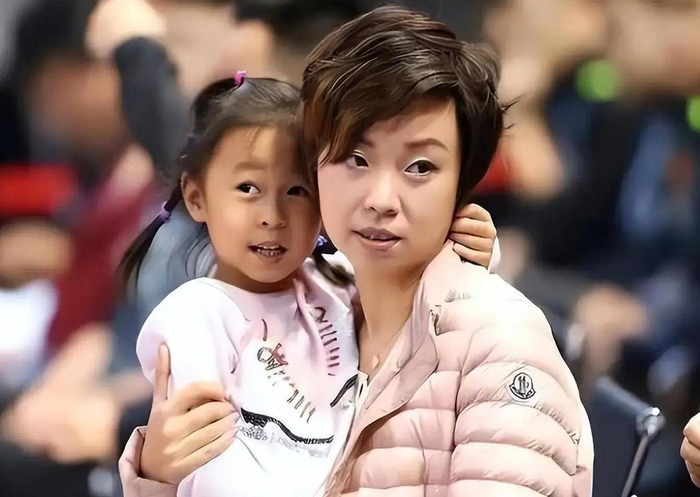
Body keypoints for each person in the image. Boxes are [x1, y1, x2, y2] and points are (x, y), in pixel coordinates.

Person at [120, 6, 592, 496]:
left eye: (420, 167)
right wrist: (157, 478)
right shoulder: (326, 306)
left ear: (462, 183)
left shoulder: (498, 344)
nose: (381, 200)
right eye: (356, 158)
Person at [119, 70, 500, 496]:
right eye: (248, 188)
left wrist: (475, 247)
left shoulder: (339, 279)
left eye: (298, 191)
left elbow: (419, 278)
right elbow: (207, 465)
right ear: (196, 197)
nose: (272, 217)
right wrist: (155, 470)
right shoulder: (194, 317)